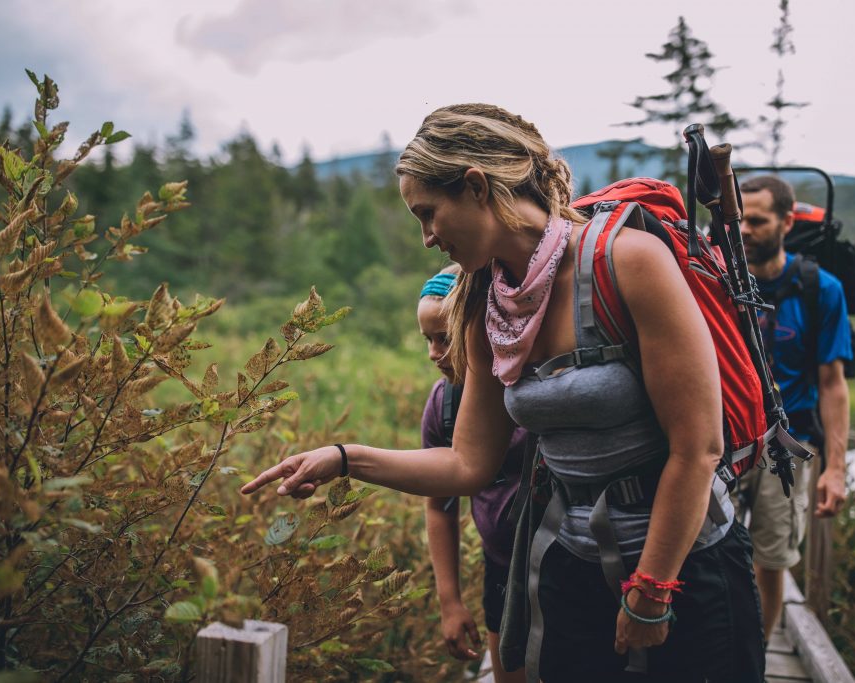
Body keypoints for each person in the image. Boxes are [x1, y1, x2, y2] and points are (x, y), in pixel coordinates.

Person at [242, 104, 764, 682]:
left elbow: (698, 448)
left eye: (428, 214)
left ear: (475, 186)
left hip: (689, 563)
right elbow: (469, 464)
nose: (425, 238)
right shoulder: (485, 304)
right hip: (573, 563)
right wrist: (345, 460)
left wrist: (652, 591)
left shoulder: (627, 263)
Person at [738, 175, 851, 643]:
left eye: (757, 221)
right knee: (697, 549)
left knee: (772, 559)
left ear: (786, 222)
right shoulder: (720, 282)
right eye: (738, 218)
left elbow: (833, 383)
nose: (744, 229)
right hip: (724, 440)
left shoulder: (819, 289)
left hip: (787, 443)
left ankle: (758, 658)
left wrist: (836, 468)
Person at [417, 265, 528, 683]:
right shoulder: (443, 406)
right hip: (499, 568)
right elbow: (440, 506)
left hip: (562, 566)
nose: (432, 352)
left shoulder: (527, 395)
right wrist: (450, 601)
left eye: (443, 338)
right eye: (427, 340)